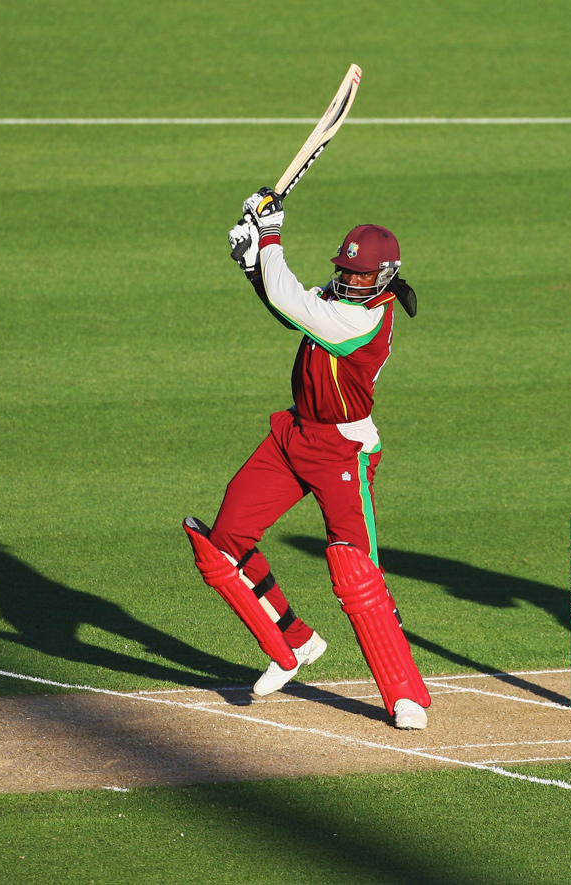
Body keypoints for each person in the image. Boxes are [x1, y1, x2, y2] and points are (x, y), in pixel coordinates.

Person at [182, 187, 431, 730]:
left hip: (344, 449)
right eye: (346, 272)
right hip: (293, 436)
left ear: (385, 278)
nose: (350, 281)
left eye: (361, 276)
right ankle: (293, 643)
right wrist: (252, 262)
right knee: (224, 544)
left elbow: (296, 303)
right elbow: (289, 308)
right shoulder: (338, 299)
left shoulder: (366, 321)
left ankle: (404, 694)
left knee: (356, 572)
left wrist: (269, 235)